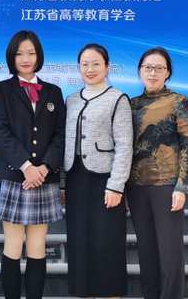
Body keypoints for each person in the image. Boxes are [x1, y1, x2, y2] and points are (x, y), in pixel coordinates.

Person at [0, 30, 66, 299]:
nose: (26, 58)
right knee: (12, 246)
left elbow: (60, 135)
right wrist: (26, 166)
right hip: (14, 177)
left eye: (31, 53)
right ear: (11, 57)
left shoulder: (54, 92)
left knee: (37, 247)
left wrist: (44, 167)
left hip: (44, 178)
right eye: (20, 53)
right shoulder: (0, 90)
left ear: (39, 56)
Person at [63, 43, 133, 299]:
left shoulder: (118, 99)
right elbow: (65, 143)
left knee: (107, 246)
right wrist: (62, 184)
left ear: (107, 67)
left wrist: (116, 186)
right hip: (75, 180)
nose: (90, 69)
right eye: (85, 64)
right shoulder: (71, 100)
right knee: (80, 246)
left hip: (105, 182)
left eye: (95, 64)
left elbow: (124, 145)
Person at [126, 47, 188, 299]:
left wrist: (181, 186)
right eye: (147, 67)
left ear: (168, 73)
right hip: (136, 187)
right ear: (139, 71)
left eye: (159, 68)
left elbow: (187, 145)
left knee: (170, 254)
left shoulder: (179, 101)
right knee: (147, 254)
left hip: (167, 187)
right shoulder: (131, 105)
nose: (152, 73)